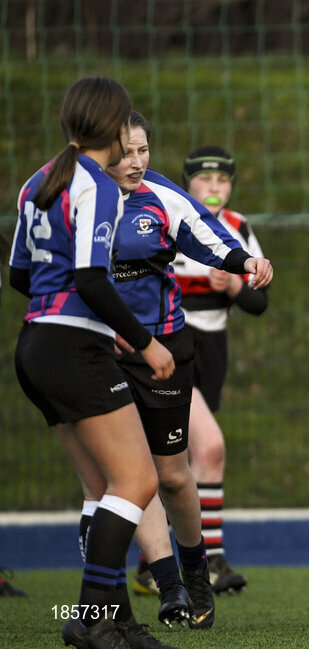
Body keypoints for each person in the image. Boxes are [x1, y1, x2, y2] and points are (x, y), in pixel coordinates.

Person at [9, 76, 174, 649]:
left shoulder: (40, 179)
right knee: (139, 479)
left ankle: (117, 621)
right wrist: (145, 342)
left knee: (106, 487)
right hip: (72, 348)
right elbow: (89, 278)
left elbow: (18, 276)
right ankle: (94, 618)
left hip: (35, 344)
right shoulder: (97, 186)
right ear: (112, 124)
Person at [100, 111, 270, 631]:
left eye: (143, 150)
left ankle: (197, 569)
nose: (135, 161)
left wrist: (243, 267)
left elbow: (208, 236)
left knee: (173, 474)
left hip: (168, 348)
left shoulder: (163, 197)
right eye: (124, 151)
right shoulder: (73, 197)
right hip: (99, 352)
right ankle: (161, 585)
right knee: (129, 474)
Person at [139, 146, 267, 596]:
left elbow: (259, 302)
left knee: (177, 460)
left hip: (213, 351)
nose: (214, 188)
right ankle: (206, 559)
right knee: (206, 448)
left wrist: (233, 283)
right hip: (171, 347)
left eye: (223, 181)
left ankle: (152, 565)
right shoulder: (170, 218)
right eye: (204, 180)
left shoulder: (237, 229)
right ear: (187, 183)